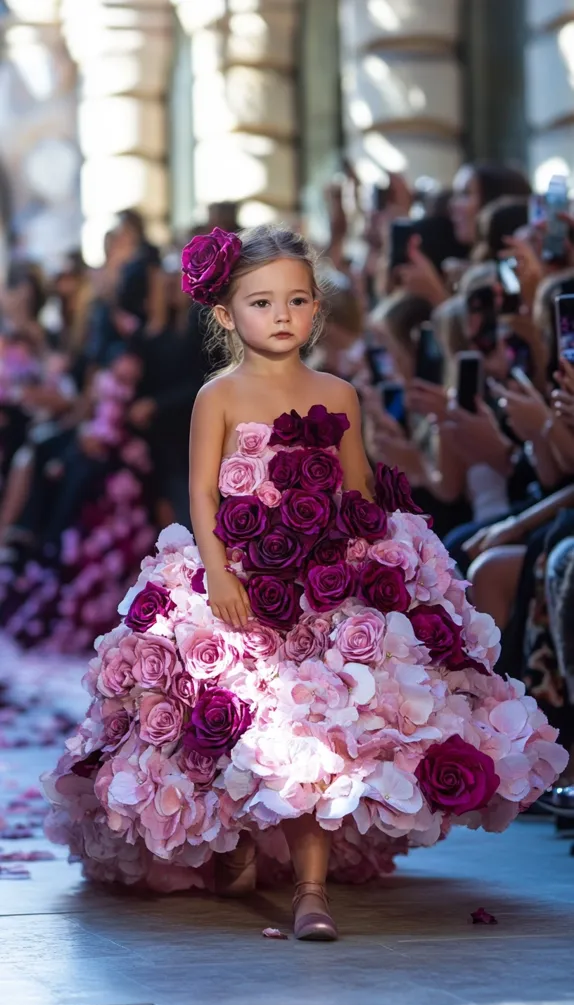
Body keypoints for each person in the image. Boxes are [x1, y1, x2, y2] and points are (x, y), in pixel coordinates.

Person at [44, 225, 567, 942]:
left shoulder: (338, 394)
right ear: (227, 315)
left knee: (318, 729)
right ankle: (238, 844)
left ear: (317, 308)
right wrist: (219, 574)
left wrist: (382, 569)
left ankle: (309, 889)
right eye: (261, 302)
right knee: (237, 721)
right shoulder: (218, 396)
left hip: (327, 580)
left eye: (296, 299)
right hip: (241, 575)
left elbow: (357, 493)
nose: (281, 315)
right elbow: (203, 494)